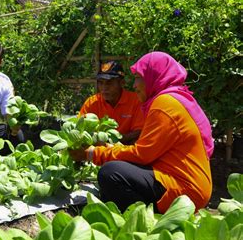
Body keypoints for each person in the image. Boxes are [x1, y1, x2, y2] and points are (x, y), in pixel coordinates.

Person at [69, 52, 214, 213]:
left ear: (153, 77)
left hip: (184, 190)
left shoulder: (164, 104)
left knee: (110, 173)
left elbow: (142, 155)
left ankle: (143, 220)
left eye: (138, 77)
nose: (135, 85)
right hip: (189, 184)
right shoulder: (176, 99)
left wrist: (92, 154)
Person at [78, 60, 144, 144]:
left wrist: (112, 140)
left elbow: (139, 131)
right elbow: (79, 129)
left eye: (109, 82)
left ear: (122, 83)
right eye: (101, 83)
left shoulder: (136, 100)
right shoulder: (91, 102)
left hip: (126, 151)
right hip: (97, 151)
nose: (104, 87)